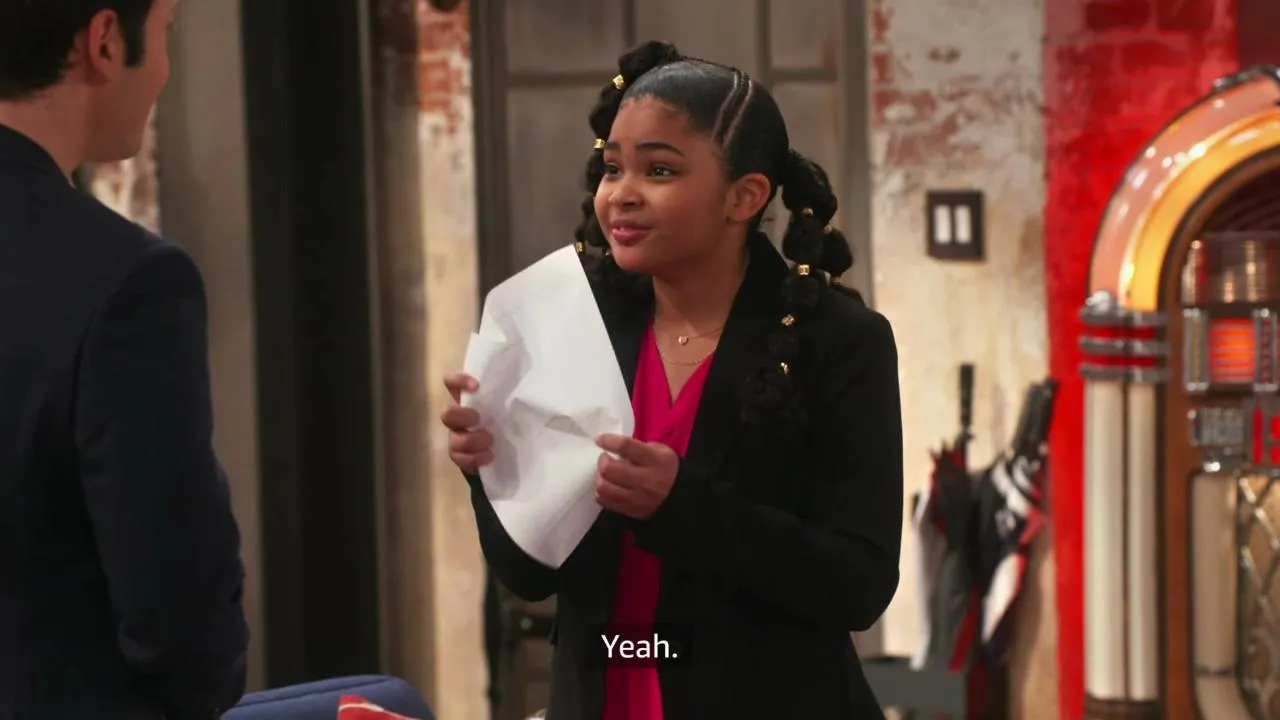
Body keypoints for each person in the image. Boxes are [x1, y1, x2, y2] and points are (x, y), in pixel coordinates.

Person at [442, 41, 904, 719]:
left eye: (659, 169)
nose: (621, 194)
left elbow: (858, 585)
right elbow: (530, 577)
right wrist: (489, 470)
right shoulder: (575, 326)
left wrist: (682, 505)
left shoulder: (839, 340)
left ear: (744, 196)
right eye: (612, 168)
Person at [0, 1, 250, 718]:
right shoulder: (128, 284)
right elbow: (188, 641)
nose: (164, 71)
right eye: (167, 31)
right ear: (105, 41)